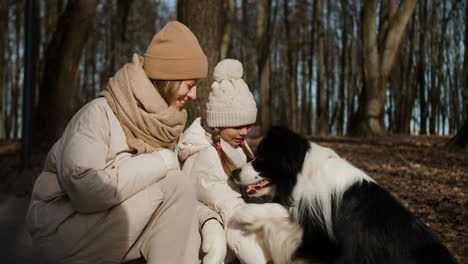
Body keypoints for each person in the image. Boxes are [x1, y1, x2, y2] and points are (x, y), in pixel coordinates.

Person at [26, 21, 225, 264]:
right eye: (190, 85)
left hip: (107, 222)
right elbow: (85, 188)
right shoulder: (98, 113)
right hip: (60, 227)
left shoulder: (164, 124)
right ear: (168, 79)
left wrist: (208, 221)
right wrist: (159, 161)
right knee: (173, 183)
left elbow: (176, 197)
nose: (193, 96)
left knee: (178, 200)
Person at [178, 59, 270, 264]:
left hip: (236, 249)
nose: (245, 132)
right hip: (207, 253)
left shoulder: (238, 146)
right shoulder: (207, 157)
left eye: (248, 125)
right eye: (238, 126)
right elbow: (233, 213)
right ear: (219, 124)